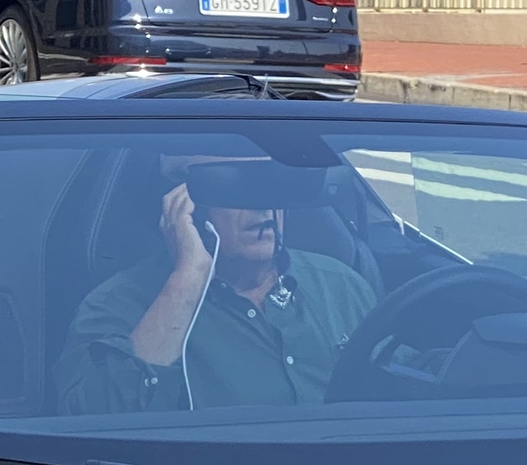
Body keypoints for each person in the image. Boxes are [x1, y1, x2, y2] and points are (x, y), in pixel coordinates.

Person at [57, 160, 376, 413]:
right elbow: (96, 422)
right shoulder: (119, 305)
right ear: (184, 208)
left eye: (273, 186)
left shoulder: (341, 285)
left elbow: (401, 382)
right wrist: (188, 278)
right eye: (238, 188)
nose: (263, 205)